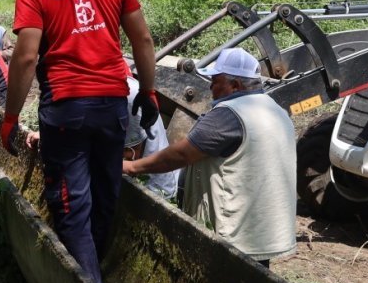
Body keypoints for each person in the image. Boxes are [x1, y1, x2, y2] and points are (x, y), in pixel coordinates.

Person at [1, 0, 159, 283]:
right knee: (106, 194)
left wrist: (10, 118)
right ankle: (96, 277)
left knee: (71, 206)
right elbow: (144, 41)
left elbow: (25, 58)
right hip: (112, 103)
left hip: (66, 107)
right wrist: (149, 91)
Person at [122, 48, 297, 268]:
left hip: (232, 233)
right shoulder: (276, 110)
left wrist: (131, 166)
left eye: (216, 81)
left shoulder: (228, 114)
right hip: (263, 230)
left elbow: (180, 155)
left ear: (235, 85)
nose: (211, 87)